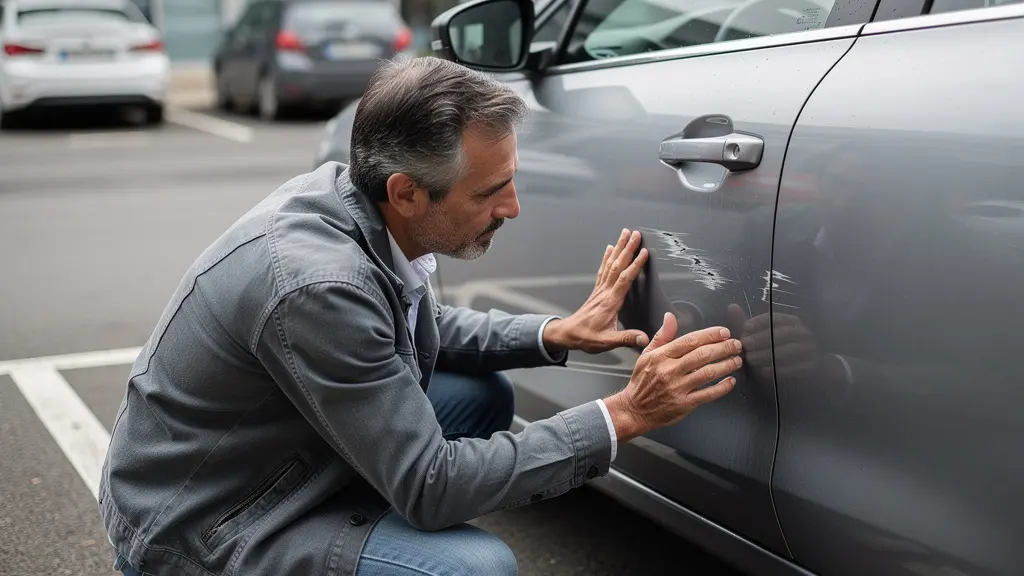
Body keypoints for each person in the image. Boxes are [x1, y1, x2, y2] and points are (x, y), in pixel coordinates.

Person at [100, 56, 743, 576]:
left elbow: (410, 326)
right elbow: (431, 487)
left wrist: (554, 333)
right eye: (491, 192)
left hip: (261, 468)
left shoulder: (354, 202)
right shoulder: (318, 285)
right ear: (407, 191)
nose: (513, 208)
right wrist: (625, 413)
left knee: (476, 394)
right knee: (471, 568)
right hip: (201, 525)